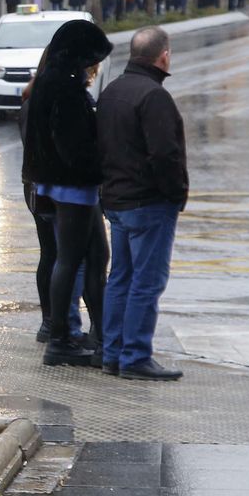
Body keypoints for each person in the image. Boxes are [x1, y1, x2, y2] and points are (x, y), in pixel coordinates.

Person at [96, 26, 187, 380]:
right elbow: (164, 154)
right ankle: (135, 356)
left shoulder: (112, 91)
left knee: (120, 278)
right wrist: (176, 193)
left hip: (117, 200)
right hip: (148, 203)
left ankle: (113, 353)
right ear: (163, 56)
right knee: (146, 282)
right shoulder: (154, 96)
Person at [21, 20, 113, 367]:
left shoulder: (50, 82)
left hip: (62, 185)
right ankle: (61, 338)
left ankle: (85, 335)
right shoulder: (65, 88)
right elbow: (73, 146)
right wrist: (99, 169)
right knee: (72, 259)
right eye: (92, 59)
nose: (93, 66)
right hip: (73, 187)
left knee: (87, 257)